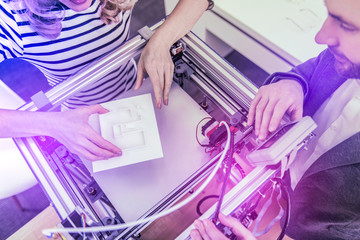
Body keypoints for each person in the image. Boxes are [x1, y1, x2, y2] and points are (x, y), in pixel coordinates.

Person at [190, 0, 360, 239]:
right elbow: (316, 69)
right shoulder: (349, 57)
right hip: (286, 188)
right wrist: (293, 83)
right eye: (330, 15)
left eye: (347, 26)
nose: (321, 36)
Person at [0, 0, 211, 161]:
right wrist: (52, 125)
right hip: (80, 125)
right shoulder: (11, 16)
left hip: (139, 96)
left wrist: (161, 40)